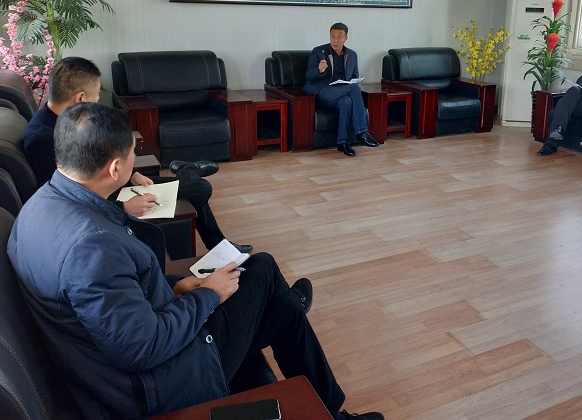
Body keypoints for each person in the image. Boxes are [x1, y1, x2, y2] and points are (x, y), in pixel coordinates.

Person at [7, 102, 383, 420]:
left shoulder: (39, 206)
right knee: (264, 269)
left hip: (131, 358)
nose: (136, 159)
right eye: (133, 152)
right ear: (115, 169)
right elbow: (143, 348)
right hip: (161, 384)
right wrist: (208, 296)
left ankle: (334, 412)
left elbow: (112, 302)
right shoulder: (91, 248)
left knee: (281, 307)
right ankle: (334, 410)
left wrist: (175, 287)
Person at [22, 57, 251, 253]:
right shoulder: (42, 139)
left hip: (114, 184)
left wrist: (133, 173)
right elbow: (67, 199)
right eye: (97, 94)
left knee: (198, 190)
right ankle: (187, 169)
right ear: (80, 98)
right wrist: (123, 209)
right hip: (109, 197)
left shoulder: (67, 121)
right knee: (199, 189)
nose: (98, 100)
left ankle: (220, 246)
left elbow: (102, 155)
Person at [304, 22, 379, 156]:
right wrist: (319, 70)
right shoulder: (318, 52)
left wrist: (352, 82)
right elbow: (309, 76)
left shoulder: (352, 55)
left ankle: (343, 143)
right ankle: (362, 131)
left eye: (339, 37)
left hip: (342, 92)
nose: (335, 40)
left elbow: (354, 76)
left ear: (346, 38)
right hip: (323, 92)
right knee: (354, 89)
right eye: (333, 36)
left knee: (347, 102)